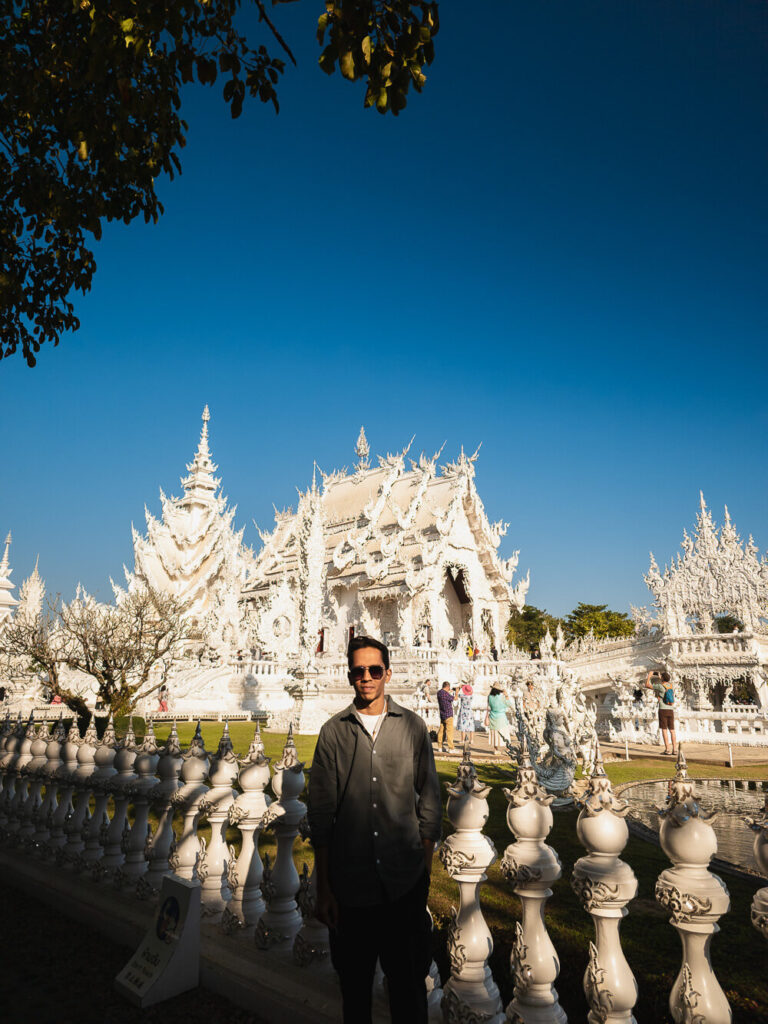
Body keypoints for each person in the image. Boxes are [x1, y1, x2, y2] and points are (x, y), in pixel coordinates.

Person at [308, 636, 441, 1024]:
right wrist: (324, 886)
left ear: (387, 673)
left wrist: (425, 870)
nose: (366, 678)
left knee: (408, 992)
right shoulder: (333, 733)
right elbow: (322, 814)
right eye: (358, 671)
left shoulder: (413, 727)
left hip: (404, 885)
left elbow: (430, 800)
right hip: (351, 888)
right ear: (350, 675)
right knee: (355, 993)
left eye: (374, 670)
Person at [646, 669, 676, 755]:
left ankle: (668, 749)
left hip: (663, 710)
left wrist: (649, 676)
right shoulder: (670, 685)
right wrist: (661, 678)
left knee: (664, 730)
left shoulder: (660, 686)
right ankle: (675, 749)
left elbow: (647, 685)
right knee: (672, 730)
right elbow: (665, 684)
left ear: (662, 678)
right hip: (671, 709)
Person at [485, 686, 511, 753]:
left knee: (494, 733)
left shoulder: (489, 697)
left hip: (493, 716)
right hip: (501, 717)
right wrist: (506, 695)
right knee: (505, 733)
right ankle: (508, 748)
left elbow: (488, 707)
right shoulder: (501, 697)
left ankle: (496, 749)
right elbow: (508, 704)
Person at [436, 680, 455, 752]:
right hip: (449, 714)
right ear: (447, 687)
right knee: (449, 732)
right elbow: (454, 699)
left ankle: (440, 747)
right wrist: (456, 692)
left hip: (442, 714)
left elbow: (445, 696)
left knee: (441, 731)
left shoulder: (439, 693)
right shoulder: (446, 694)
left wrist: (448, 692)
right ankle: (451, 748)